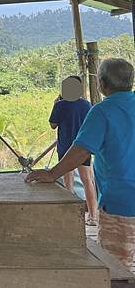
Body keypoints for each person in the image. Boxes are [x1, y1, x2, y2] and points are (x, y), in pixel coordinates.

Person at [27, 58, 135, 268]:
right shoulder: (90, 106)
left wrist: (52, 174)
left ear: (101, 84)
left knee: (117, 269)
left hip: (121, 203)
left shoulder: (102, 111)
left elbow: (82, 149)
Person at [49, 76, 98, 225]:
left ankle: (70, 215)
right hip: (83, 148)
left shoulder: (59, 105)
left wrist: (55, 104)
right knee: (87, 181)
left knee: (67, 182)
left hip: (65, 148)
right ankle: (92, 216)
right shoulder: (87, 105)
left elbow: (53, 125)